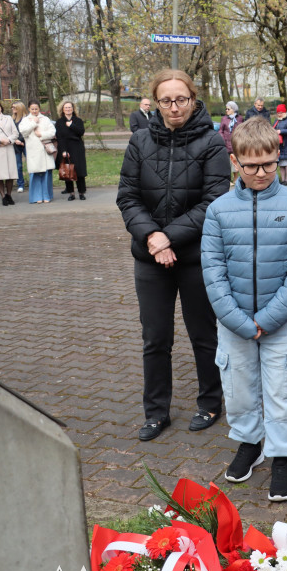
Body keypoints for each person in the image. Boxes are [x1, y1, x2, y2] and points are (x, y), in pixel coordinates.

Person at [202, 118, 287, 502]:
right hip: (233, 323)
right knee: (238, 388)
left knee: (282, 389)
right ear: (235, 162)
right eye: (251, 166)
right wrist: (237, 320)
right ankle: (249, 443)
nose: (262, 173)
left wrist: (267, 320)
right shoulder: (218, 210)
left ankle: (282, 454)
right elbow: (213, 271)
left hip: (280, 321)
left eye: (269, 163)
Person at [117, 69, 230, 441]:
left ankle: (210, 401)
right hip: (151, 257)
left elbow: (214, 201)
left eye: (181, 99)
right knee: (155, 338)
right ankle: (156, 412)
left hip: (197, 256)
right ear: (156, 102)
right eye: (166, 100)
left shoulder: (212, 143)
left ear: (193, 99)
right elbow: (128, 196)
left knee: (203, 334)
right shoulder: (139, 141)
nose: (174, 106)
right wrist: (152, 236)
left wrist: (167, 236)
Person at [18, 100, 56, 204]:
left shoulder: (45, 119)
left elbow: (52, 132)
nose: (34, 111)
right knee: (35, 173)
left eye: (36, 109)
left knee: (46, 173)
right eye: (32, 109)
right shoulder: (25, 120)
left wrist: (42, 134)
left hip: (44, 150)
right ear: (29, 109)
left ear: (39, 109)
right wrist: (33, 122)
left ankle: (47, 195)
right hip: (33, 151)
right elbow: (23, 132)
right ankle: (36, 196)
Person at [56, 101, 88, 201]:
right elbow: (60, 138)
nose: (68, 109)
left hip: (77, 147)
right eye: (66, 108)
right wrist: (63, 151)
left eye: (70, 107)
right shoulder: (59, 122)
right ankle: (71, 193)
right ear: (63, 109)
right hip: (66, 148)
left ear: (73, 109)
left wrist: (71, 125)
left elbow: (81, 132)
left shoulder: (78, 120)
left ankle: (81, 192)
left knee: (79, 171)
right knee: (68, 171)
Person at [273, 104, 287, 185]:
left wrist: (281, 131)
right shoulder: (277, 120)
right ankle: (282, 180)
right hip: (279, 146)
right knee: (281, 164)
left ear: (285, 112)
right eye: (278, 112)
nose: (279, 114)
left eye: (281, 112)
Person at [11, 102, 27, 193]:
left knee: (30, 163)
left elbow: (26, 131)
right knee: (18, 166)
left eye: (14, 107)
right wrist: (16, 140)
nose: (13, 109)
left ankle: (33, 182)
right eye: (12, 107)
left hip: (25, 144)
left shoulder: (26, 119)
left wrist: (21, 140)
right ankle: (20, 184)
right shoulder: (11, 119)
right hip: (15, 145)